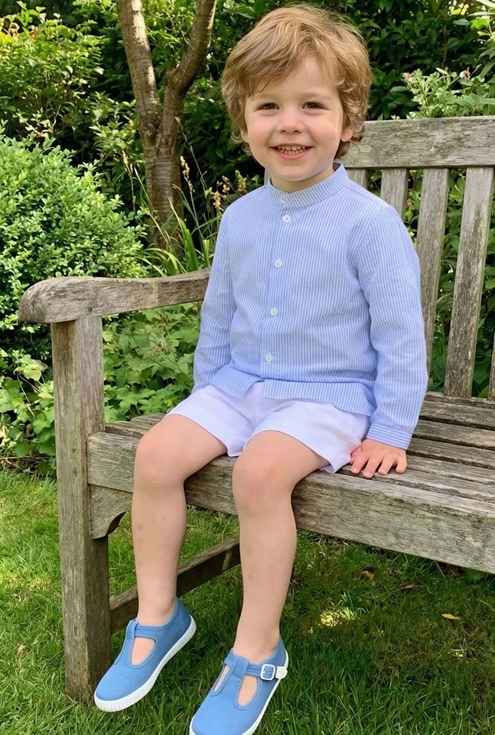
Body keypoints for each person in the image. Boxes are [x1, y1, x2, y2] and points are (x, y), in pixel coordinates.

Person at [94, 4, 428, 734]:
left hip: (330, 397)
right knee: (156, 454)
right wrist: (203, 405)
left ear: (348, 120)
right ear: (243, 122)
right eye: (268, 106)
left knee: (259, 473)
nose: (289, 124)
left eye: (312, 105)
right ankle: (159, 616)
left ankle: (256, 648)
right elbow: (220, 318)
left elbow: (401, 335)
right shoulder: (240, 218)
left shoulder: (368, 224)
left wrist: (390, 429)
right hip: (240, 387)